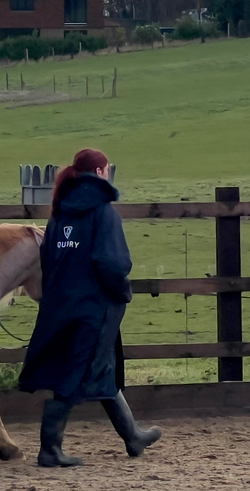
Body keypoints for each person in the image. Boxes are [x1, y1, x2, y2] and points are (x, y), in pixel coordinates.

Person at [19, 148, 161, 467]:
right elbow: (112, 262)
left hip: (61, 304)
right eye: (107, 168)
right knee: (77, 371)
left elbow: (49, 260)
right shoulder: (104, 212)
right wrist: (121, 291)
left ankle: (133, 436)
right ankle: (49, 449)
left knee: (100, 366)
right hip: (93, 307)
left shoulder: (59, 213)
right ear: (100, 172)